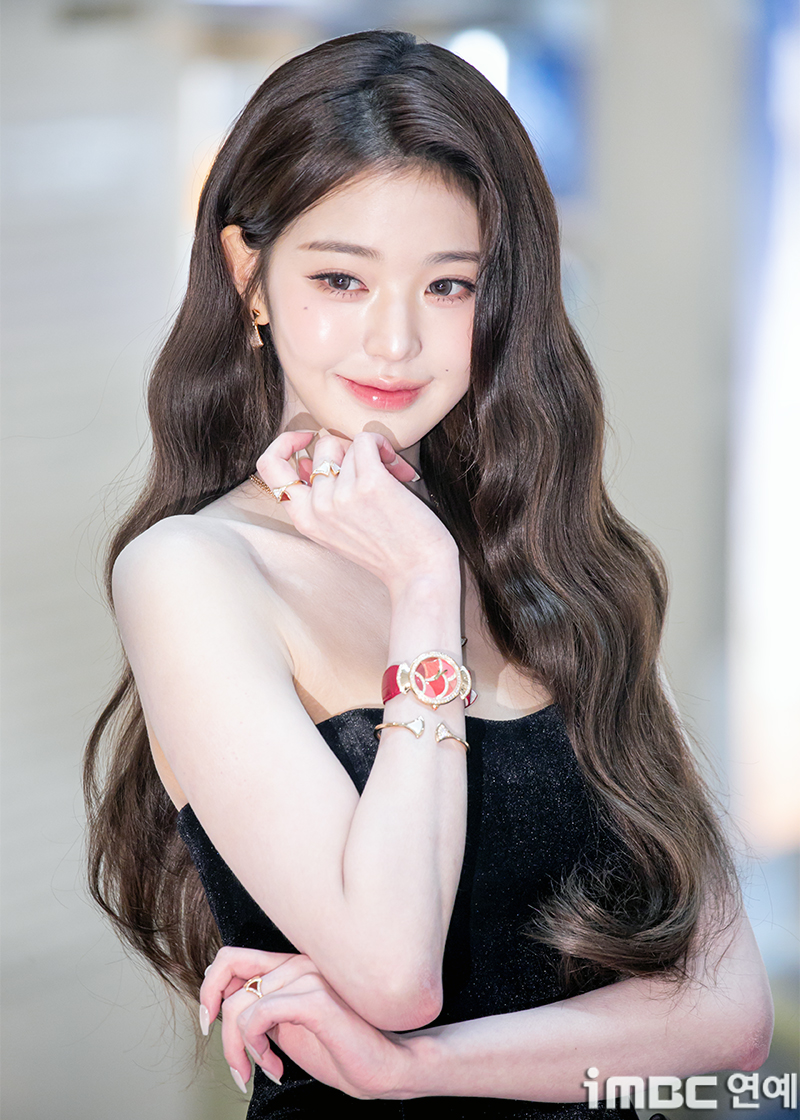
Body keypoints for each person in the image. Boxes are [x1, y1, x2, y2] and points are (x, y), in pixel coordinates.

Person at [84, 29, 773, 1118]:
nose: (395, 341)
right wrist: (420, 596)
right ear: (248, 278)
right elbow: (390, 969)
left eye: (449, 285)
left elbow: (727, 1015)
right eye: (340, 277)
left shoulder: (559, 554)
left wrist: (419, 1069)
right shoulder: (191, 572)